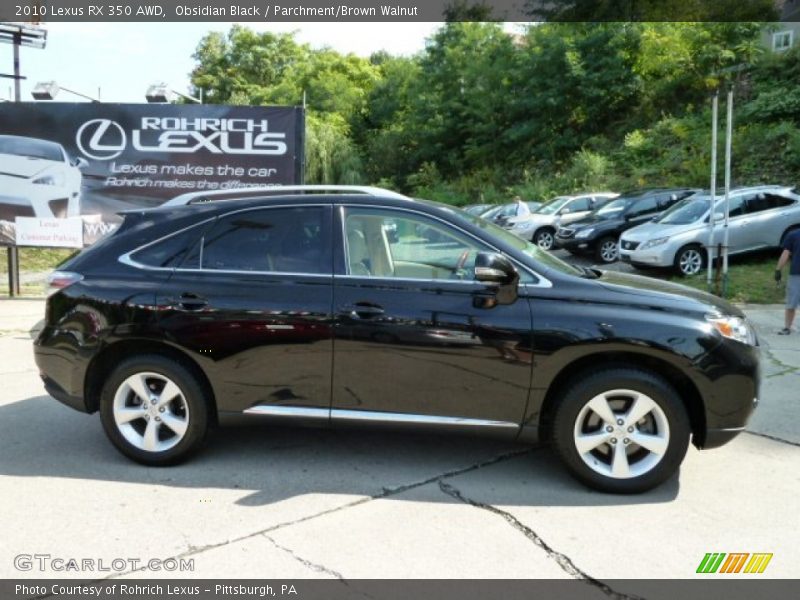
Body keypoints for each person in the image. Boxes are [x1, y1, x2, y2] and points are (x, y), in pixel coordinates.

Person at [775, 228, 800, 335]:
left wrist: (778, 269)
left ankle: (787, 328)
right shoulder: (793, 235)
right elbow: (786, 253)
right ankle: (787, 327)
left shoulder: (793, 234)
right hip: (796, 273)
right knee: (791, 302)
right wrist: (778, 269)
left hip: (796, 273)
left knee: (791, 302)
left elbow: (785, 253)